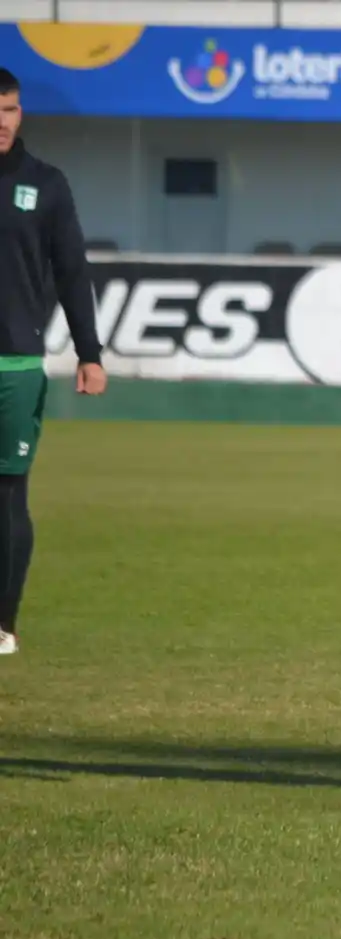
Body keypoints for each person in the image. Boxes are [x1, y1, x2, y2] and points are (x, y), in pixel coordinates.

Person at [0, 68, 107, 656]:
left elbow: (72, 271)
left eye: (10, 109)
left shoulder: (45, 184)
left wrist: (89, 354)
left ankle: (3, 623)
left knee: (8, 493)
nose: (2, 121)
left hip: (13, 364)